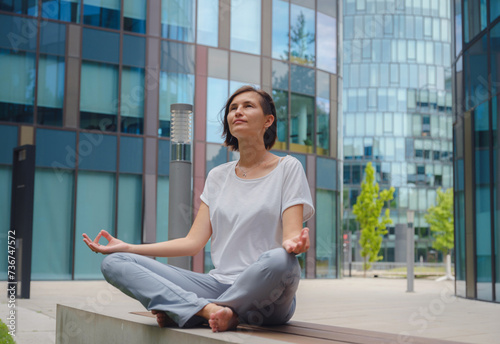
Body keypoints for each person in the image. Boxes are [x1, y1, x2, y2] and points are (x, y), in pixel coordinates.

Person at [82, 85, 314, 332]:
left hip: (269, 295)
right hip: (217, 284)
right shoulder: (218, 176)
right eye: (233, 108)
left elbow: (291, 235)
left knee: (282, 260)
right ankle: (210, 312)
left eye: (248, 106)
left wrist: (295, 244)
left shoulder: (288, 168)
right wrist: (129, 247)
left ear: (268, 120)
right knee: (115, 263)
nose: (237, 112)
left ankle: (188, 310)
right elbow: (193, 242)